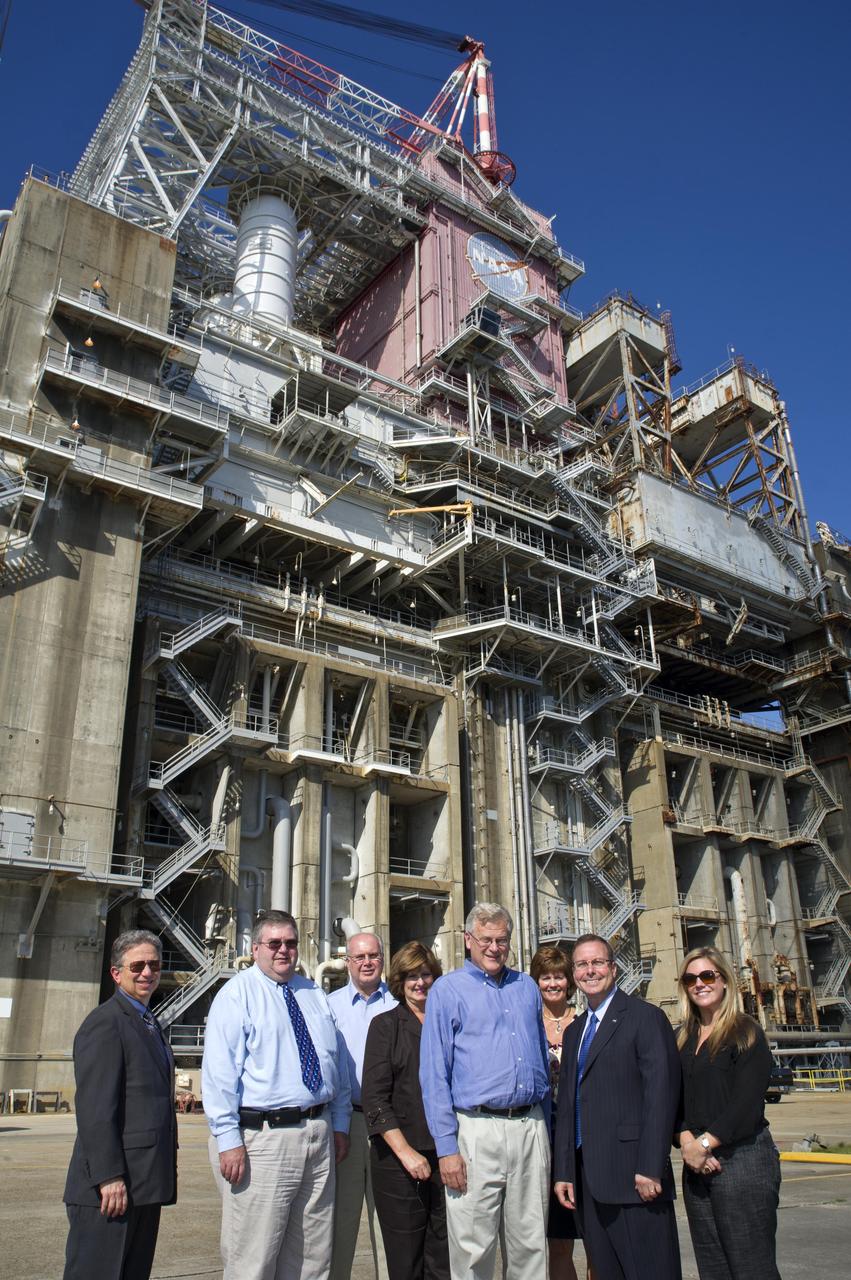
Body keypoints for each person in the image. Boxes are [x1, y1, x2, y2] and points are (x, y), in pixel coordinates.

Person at [202, 909, 351, 1280]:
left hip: (318, 1133)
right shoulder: (237, 995)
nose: (284, 950)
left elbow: (337, 1065)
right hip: (264, 1141)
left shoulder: (314, 994)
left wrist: (341, 1122)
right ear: (255, 949)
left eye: (291, 942)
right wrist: (227, 1138)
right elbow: (219, 1075)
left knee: (312, 1257)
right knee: (253, 1257)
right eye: (275, 943)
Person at [420, 902, 551, 1280]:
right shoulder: (446, 991)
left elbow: (540, 1056)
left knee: (530, 1243)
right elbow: (434, 1074)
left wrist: (547, 1130)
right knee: (473, 1248)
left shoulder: (525, 987)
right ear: (467, 941)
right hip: (476, 1130)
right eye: (486, 940)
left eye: (502, 940)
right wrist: (446, 1149)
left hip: (529, 1125)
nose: (494, 948)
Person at [553, 934, 682, 1280]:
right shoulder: (576, 1030)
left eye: (597, 962)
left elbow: (661, 1096)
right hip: (587, 1180)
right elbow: (568, 1105)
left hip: (634, 1178)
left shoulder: (645, 1018)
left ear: (613, 968)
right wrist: (564, 1171)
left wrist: (651, 1166)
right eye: (581, 964)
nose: (589, 971)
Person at [62, 929, 176, 1280]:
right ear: (116, 973)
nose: (147, 973)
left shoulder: (147, 1021)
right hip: (111, 1188)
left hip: (143, 1183)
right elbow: (96, 1108)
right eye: (137, 965)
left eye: (154, 965)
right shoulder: (105, 1023)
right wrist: (109, 1175)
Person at [674, 947, 781, 1280]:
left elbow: (746, 1104)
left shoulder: (746, 1032)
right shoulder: (682, 1038)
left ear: (724, 981)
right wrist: (687, 1141)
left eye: (708, 976)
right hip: (696, 1167)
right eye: (691, 978)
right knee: (713, 1268)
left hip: (742, 1161)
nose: (700, 984)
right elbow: (672, 1099)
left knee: (751, 1268)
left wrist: (704, 1144)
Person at [362, 941, 450, 1280]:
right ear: (399, 980)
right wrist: (407, 1154)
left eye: (426, 974)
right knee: (406, 1261)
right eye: (411, 976)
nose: (420, 983)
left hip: (445, 1157)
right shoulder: (386, 1026)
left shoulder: (446, 1023)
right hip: (399, 1162)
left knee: (443, 1258)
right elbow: (375, 1099)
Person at [328, 931, 396, 1280]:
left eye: (374, 956)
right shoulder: (331, 1006)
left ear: (382, 959)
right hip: (348, 1124)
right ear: (348, 962)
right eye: (360, 957)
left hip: (392, 1127)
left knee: (390, 1226)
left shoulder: (400, 1005)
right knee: (339, 1227)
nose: (367, 962)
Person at [530, 943, 588, 1280]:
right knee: (559, 1241)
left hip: (584, 1137)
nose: (553, 984)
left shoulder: (584, 1024)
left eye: (559, 977)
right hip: (546, 1138)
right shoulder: (528, 1026)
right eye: (545, 977)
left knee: (596, 1239)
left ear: (570, 982)